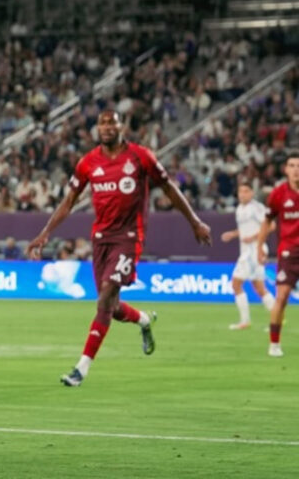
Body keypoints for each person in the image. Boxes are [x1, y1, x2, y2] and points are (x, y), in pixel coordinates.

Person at [27, 110, 210, 386]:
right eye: (102, 123)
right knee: (109, 307)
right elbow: (69, 201)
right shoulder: (88, 162)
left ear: (121, 125)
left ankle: (81, 368)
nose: (107, 127)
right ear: (96, 128)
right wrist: (45, 233)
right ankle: (144, 320)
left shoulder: (140, 156)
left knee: (106, 297)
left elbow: (169, 187)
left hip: (129, 237)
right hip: (101, 239)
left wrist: (194, 221)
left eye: (112, 122)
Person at [258, 152, 299, 357]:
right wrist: (259, 247)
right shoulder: (278, 194)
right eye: (292, 165)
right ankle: (274, 344)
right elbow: (267, 220)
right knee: (281, 297)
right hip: (289, 253)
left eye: (298, 166)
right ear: (286, 170)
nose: (296, 170)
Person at [221, 182, 274, 330]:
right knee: (259, 287)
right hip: (247, 250)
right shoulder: (239, 209)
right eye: (240, 191)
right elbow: (245, 229)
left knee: (236, 283)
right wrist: (233, 234)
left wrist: (253, 237)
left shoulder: (256, 208)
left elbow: (271, 225)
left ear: (252, 193)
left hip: (254, 249)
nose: (242, 194)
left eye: (246, 191)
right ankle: (277, 318)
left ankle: (245, 321)